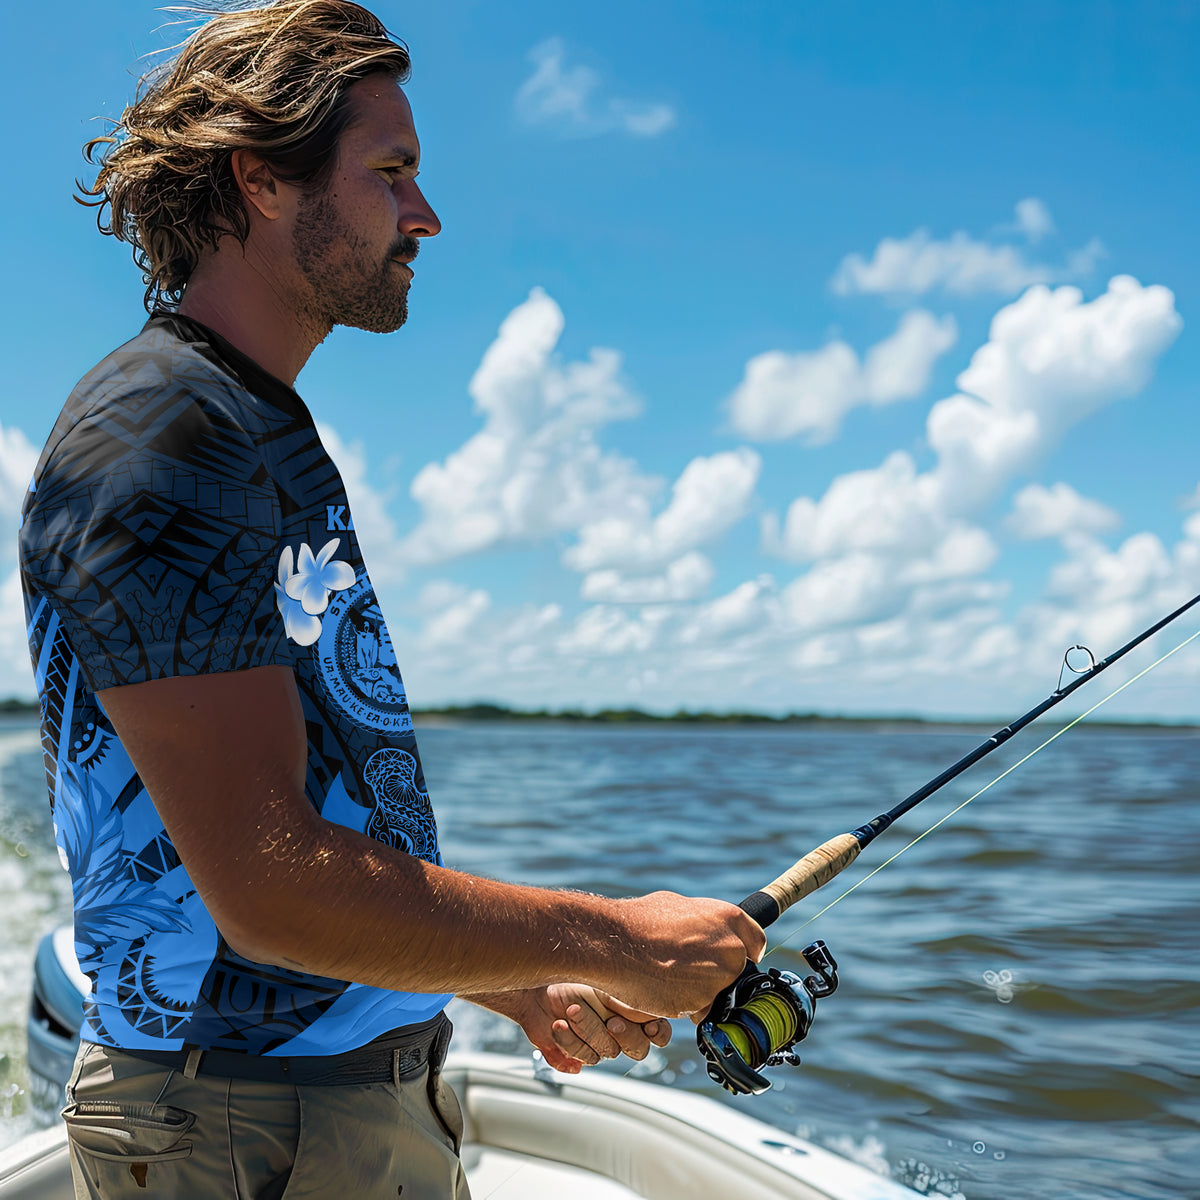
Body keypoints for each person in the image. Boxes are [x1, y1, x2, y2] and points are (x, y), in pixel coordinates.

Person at [18, 3, 765, 1198]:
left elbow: (318, 821)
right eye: (392, 171)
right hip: (245, 1122)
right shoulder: (158, 435)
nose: (424, 214)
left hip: (335, 1102)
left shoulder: (250, 425)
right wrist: (621, 940)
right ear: (262, 177)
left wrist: (511, 982)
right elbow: (270, 888)